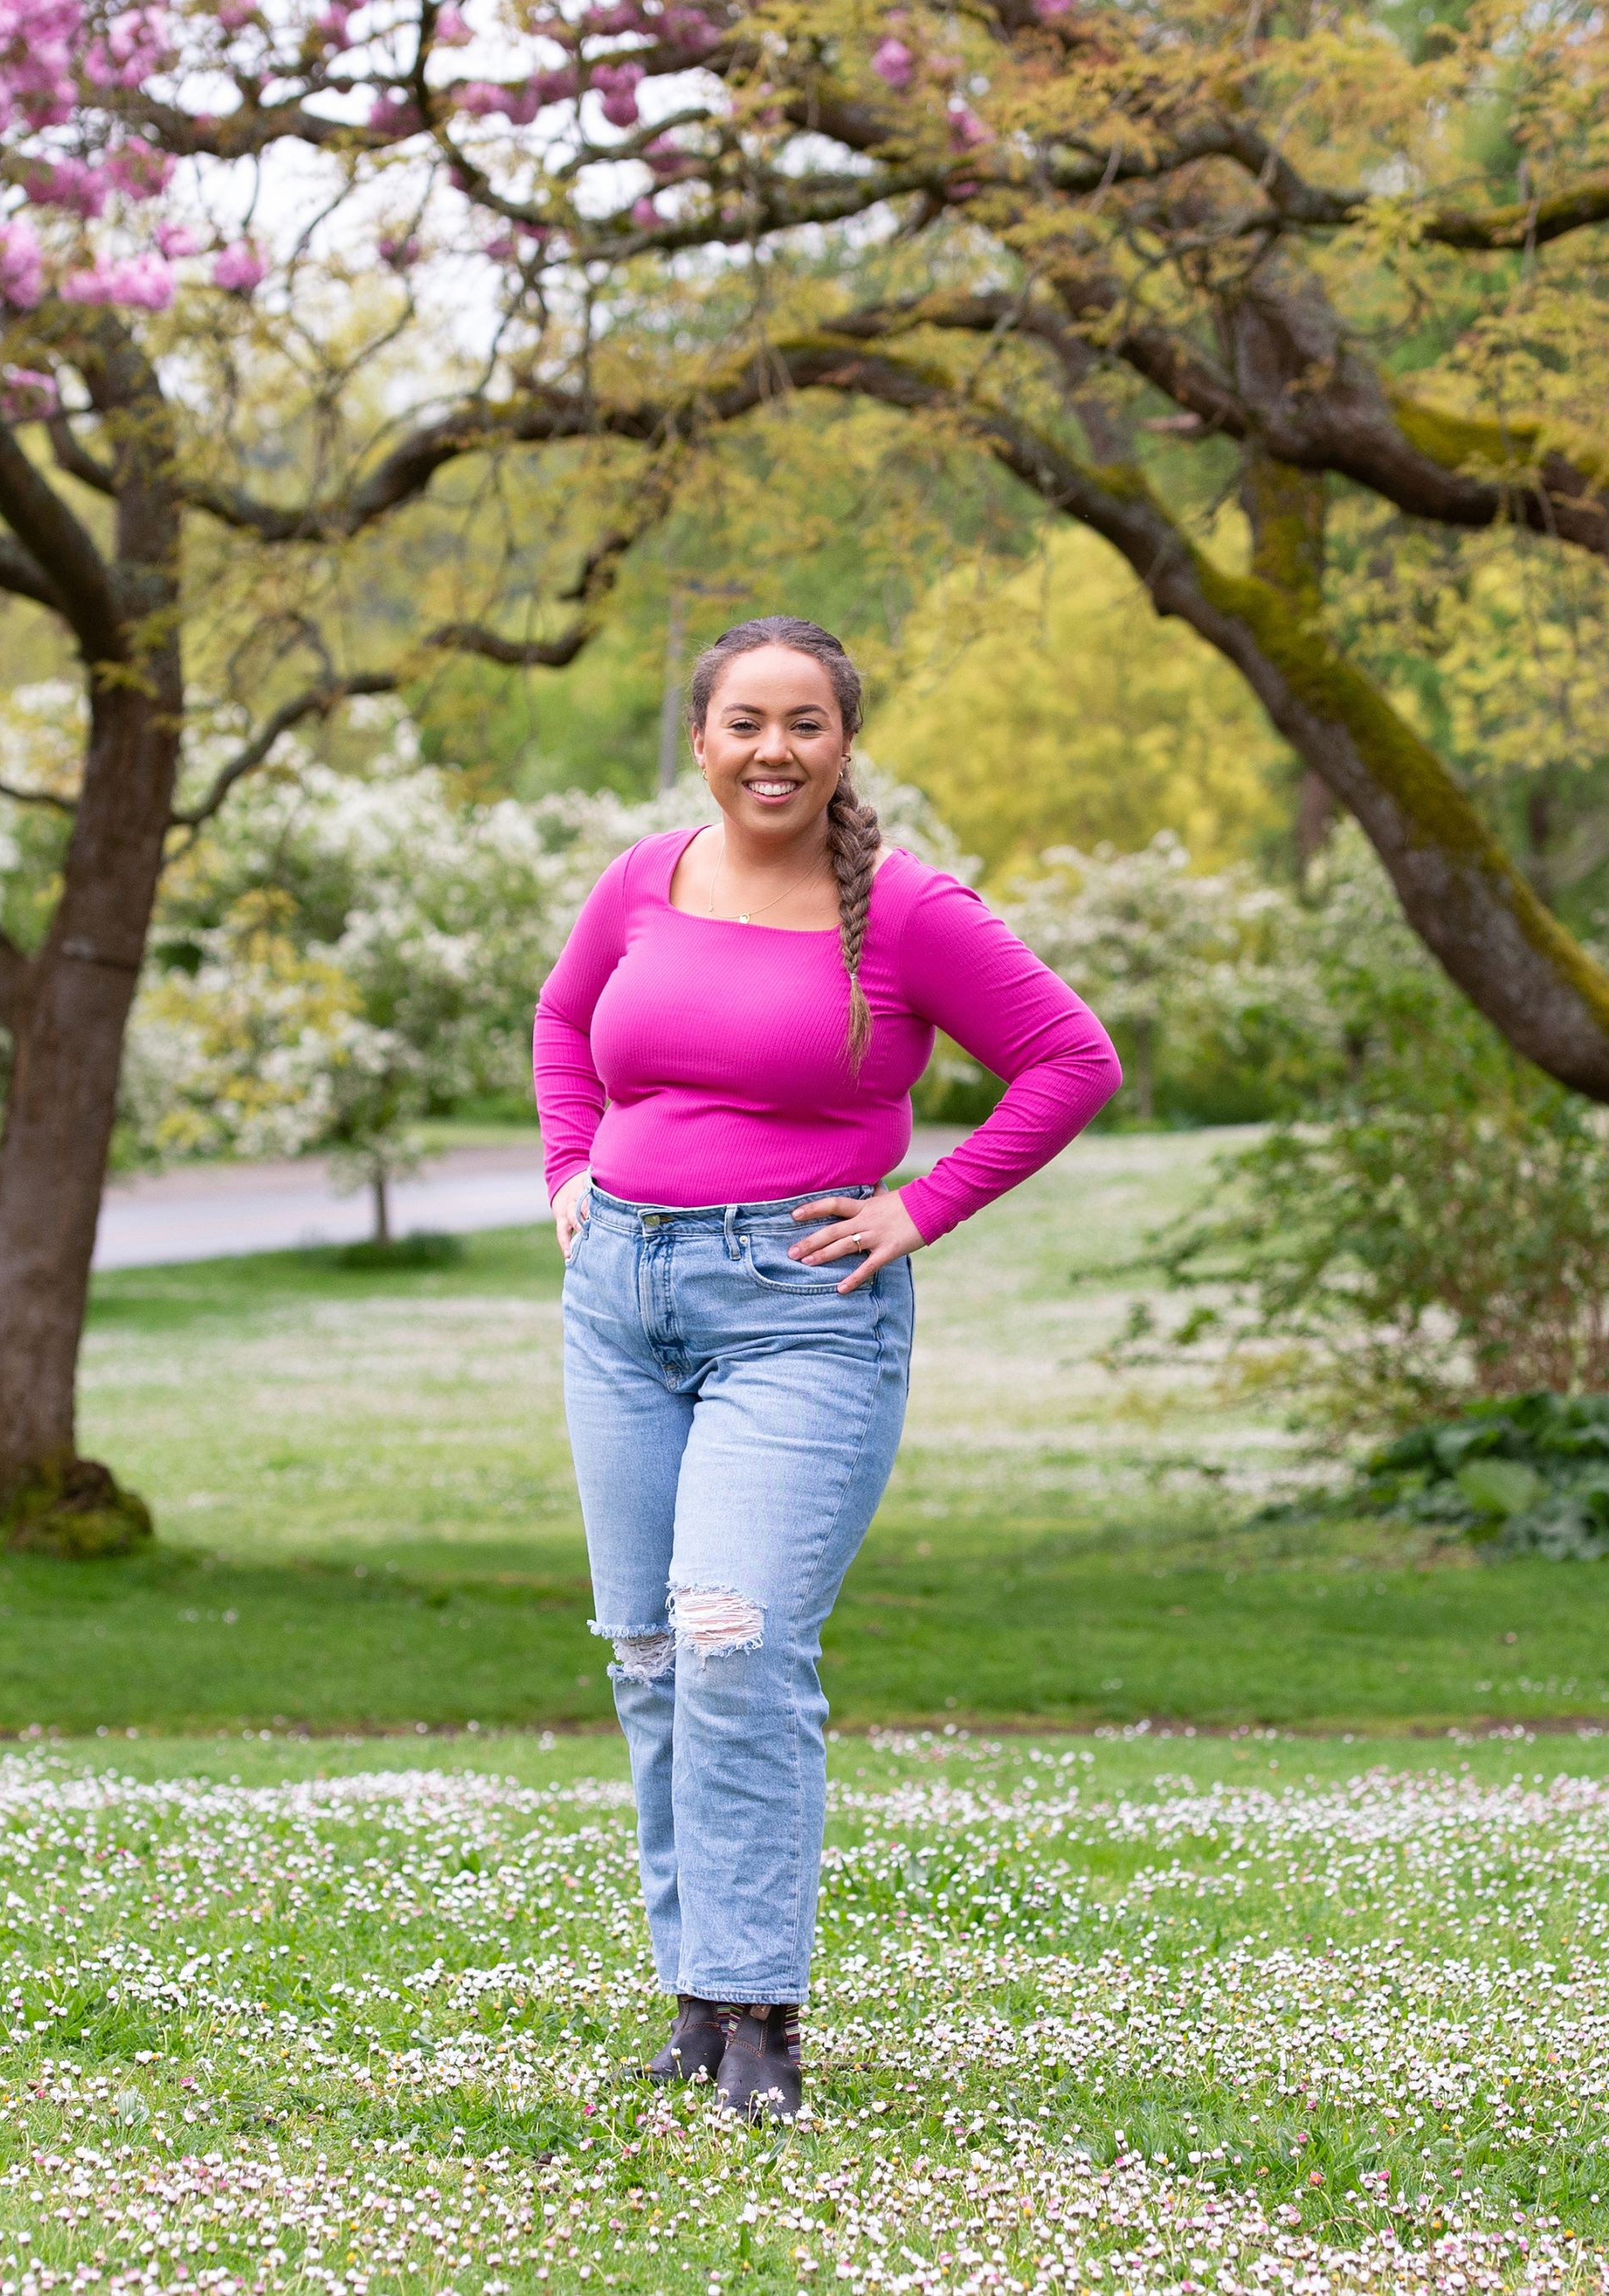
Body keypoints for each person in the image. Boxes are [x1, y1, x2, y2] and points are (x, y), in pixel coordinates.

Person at [532, 614, 1122, 2122]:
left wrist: (920, 1206)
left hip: (799, 1309)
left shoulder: (909, 912)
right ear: (703, 738)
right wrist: (570, 1168)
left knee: (734, 1639)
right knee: (654, 1661)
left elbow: (1070, 1060)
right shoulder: (642, 881)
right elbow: (562, 1023)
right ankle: (695, 1995)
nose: (772, 750)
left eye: (804, 723)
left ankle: (762, 2016)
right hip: (622, 1298)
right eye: (745, 722)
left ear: (843, 743)